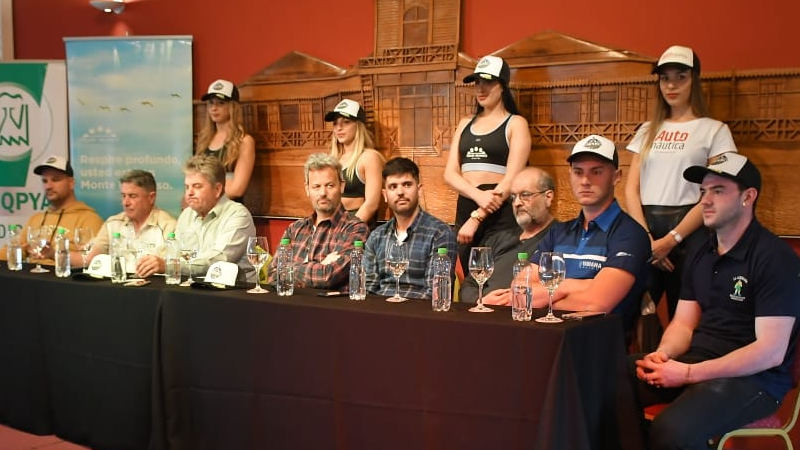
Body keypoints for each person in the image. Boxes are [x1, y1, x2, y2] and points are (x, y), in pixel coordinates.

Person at [633, 153, 800, 450]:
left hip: (755, 380)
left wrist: (687, 373)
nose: (705, 201)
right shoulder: (700, 251)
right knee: (605, 385)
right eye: (702, 192)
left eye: (718, 191)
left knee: (672, 431)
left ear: (748, 197)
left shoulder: (775, 257)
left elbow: (770, 352)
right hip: (698, 364)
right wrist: (663, 355)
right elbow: (683, 323)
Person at [625, 45, 737, 319]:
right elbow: (630, 187)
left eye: (680, 77)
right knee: (636, 313)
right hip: (647, 228)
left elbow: (719, 191)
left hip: (691, 230)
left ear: (694, 80)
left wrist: (672, 239)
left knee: (684, 313)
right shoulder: (647, 129)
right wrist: (648, 240)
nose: (671, 85)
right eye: (665, 78)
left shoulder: (715, 130)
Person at [529, 135, 650, 333]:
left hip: (596, 349)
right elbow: (522, 288)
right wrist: (575, 286)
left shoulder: (630, 235)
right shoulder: (558, 232)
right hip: (542, 338)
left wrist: (548, 294)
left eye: (596, 172)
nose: (585, 181)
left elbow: (595, 304)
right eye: (578, 172)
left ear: (616, 176)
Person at [444, 55, 531, 273]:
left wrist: (479, 214)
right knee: (467, 276)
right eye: (477, 83)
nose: (481, 89)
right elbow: (450, 173)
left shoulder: (516, 124)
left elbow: (512, 179)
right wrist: (476, 195)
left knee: (494, 275)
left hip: (499, 210)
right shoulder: (465, 123)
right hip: (467, 203)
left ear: (502, 85)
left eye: (488, 82)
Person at [136, 155, 255, 281]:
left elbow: (219, 261)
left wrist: (170, 266)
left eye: (197, 186)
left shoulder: (237, 214)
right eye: (187, 187)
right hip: (195, 287)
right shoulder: (186, 215)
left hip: (235, 292)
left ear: (217, 189)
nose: (189, 193)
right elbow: (175, 254)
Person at [362, 157, 456, 299]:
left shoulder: (440, 234)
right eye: (393, 187)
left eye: (406, 185)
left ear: (419, 190)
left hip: (420, 315)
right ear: (385, 195)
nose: (400, 192)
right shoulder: (376, 236)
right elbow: (368, 288)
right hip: (380, 312)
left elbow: (436, 293)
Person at [275, 153, 369, 290]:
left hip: (331, 309)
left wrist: (289, 270)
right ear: (307, 189)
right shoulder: (294, 229)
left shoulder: (356, 229)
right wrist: (321, 264)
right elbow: (273, 274)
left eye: (330, 185)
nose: (323, 193)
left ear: (342, 186)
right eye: (316, 187)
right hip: (289, 307)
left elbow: (328, 276)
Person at [466, 167, 556, 305]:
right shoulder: (498, 238)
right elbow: (469, 285)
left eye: (525, 195)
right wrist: (480, 301)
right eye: (513, 197)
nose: (517, 203)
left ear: (548, 197)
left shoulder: (561, 237)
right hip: (483, 314)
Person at [1, 155, 103, 265]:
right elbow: (8, 252)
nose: (48, 186)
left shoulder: (89, 219)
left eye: (55, 180)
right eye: (45, 181)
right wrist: (20, 250)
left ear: (71, 183)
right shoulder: (36, 219)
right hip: (31, 278)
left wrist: (54, 254)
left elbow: (92, 262)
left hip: (63, 279)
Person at [84, 169, 177, 268]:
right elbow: (92, 260)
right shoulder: (112, 223)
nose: (125, 203)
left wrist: (163, 265)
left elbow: (174, 266)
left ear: (151, 197)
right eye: (123, 196)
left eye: (132, 196)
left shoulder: (168, 225)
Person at [325, 98, 385, 226]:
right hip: (332, 225)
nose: (339, 128)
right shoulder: (332, 160)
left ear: (358, 126)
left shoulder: (369, 157)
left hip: (358, 229)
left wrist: (348, 230)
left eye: (346, 122)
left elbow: (371, 204)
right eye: (335, 123)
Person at [195, 79, 255, 202]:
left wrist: (203, 188)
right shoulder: (203, 141)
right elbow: (193, 183)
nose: (214, 108)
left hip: (229, 212)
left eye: (221, 103)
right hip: (204, 211)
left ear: (232, 107)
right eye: (211, 103)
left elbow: (237, 189)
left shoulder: (245, 141)